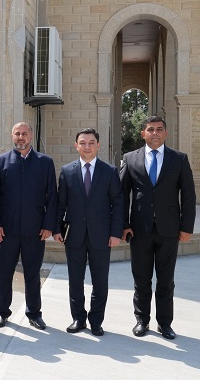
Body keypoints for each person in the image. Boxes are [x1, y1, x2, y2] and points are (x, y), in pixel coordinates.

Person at [120, 116, 196, 340]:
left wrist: (186, 227)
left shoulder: (179, 159)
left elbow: (189, 195)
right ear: (143, 133)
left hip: (169, 230)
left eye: (159, 129)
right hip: (138, 229)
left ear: (166, 133)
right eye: (150, 129)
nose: (155, 133)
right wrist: (124, 225)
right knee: (141, 279)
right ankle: (142, 320)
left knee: (166, 280)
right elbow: (121, 195)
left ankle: (165, 323)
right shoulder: (130, 159)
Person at [53, 128, 123, 336]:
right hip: (74, 235)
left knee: (100, 281)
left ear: (98, 145)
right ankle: (78, 318)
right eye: (82, 143)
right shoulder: (67, 171)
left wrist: (115, 233)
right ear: (76, 146)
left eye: (91, 142)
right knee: (75, 280)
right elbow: (60, 204)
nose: (87, 147)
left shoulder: (109, 171)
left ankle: (96, 321)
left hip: (101, 236)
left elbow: (118, 204)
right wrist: (57, 229)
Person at [0, 122, 57, 330]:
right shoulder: (0, 162)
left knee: (33, 274)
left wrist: (48, 225)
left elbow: (52, 197)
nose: (21, 137)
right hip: (5, 231)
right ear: (12, 136)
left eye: (24, 133)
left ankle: (34, 313)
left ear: (31, 136)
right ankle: (2, 312)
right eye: (17, 133)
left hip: (35, 231)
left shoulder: (45, 162)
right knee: (3, 273)